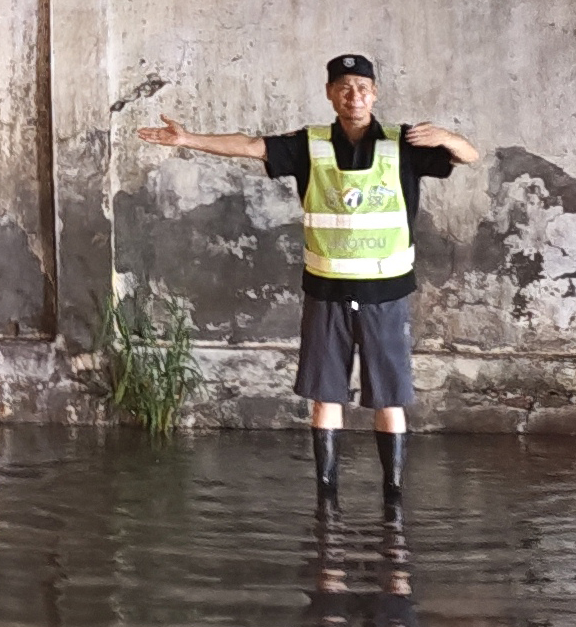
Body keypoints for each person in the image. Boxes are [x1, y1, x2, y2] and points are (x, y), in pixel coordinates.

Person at [139, 55, 482, 508]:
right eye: (343, 87)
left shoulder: (404, 144)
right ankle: (327, 493)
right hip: (326, 292)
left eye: (362, 87)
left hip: (386, 293)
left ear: (374, 93)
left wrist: (447, 137)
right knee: (325, 394)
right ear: (329, 93)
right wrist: (187, 139)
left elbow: (470, 156)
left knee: (390, 398)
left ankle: (393, 494)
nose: (353, 96)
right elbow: (250, 145)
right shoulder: (310, 144)